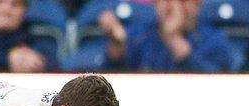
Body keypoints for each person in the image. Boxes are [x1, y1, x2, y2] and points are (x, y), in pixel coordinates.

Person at [99, 0, 234, 72]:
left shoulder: (215, 41)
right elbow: (110, 84)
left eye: (182, 1)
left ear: (198, 3)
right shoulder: (137, 36)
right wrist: (116, 46)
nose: (173, 7)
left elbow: (216, 85)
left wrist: (173, 38)